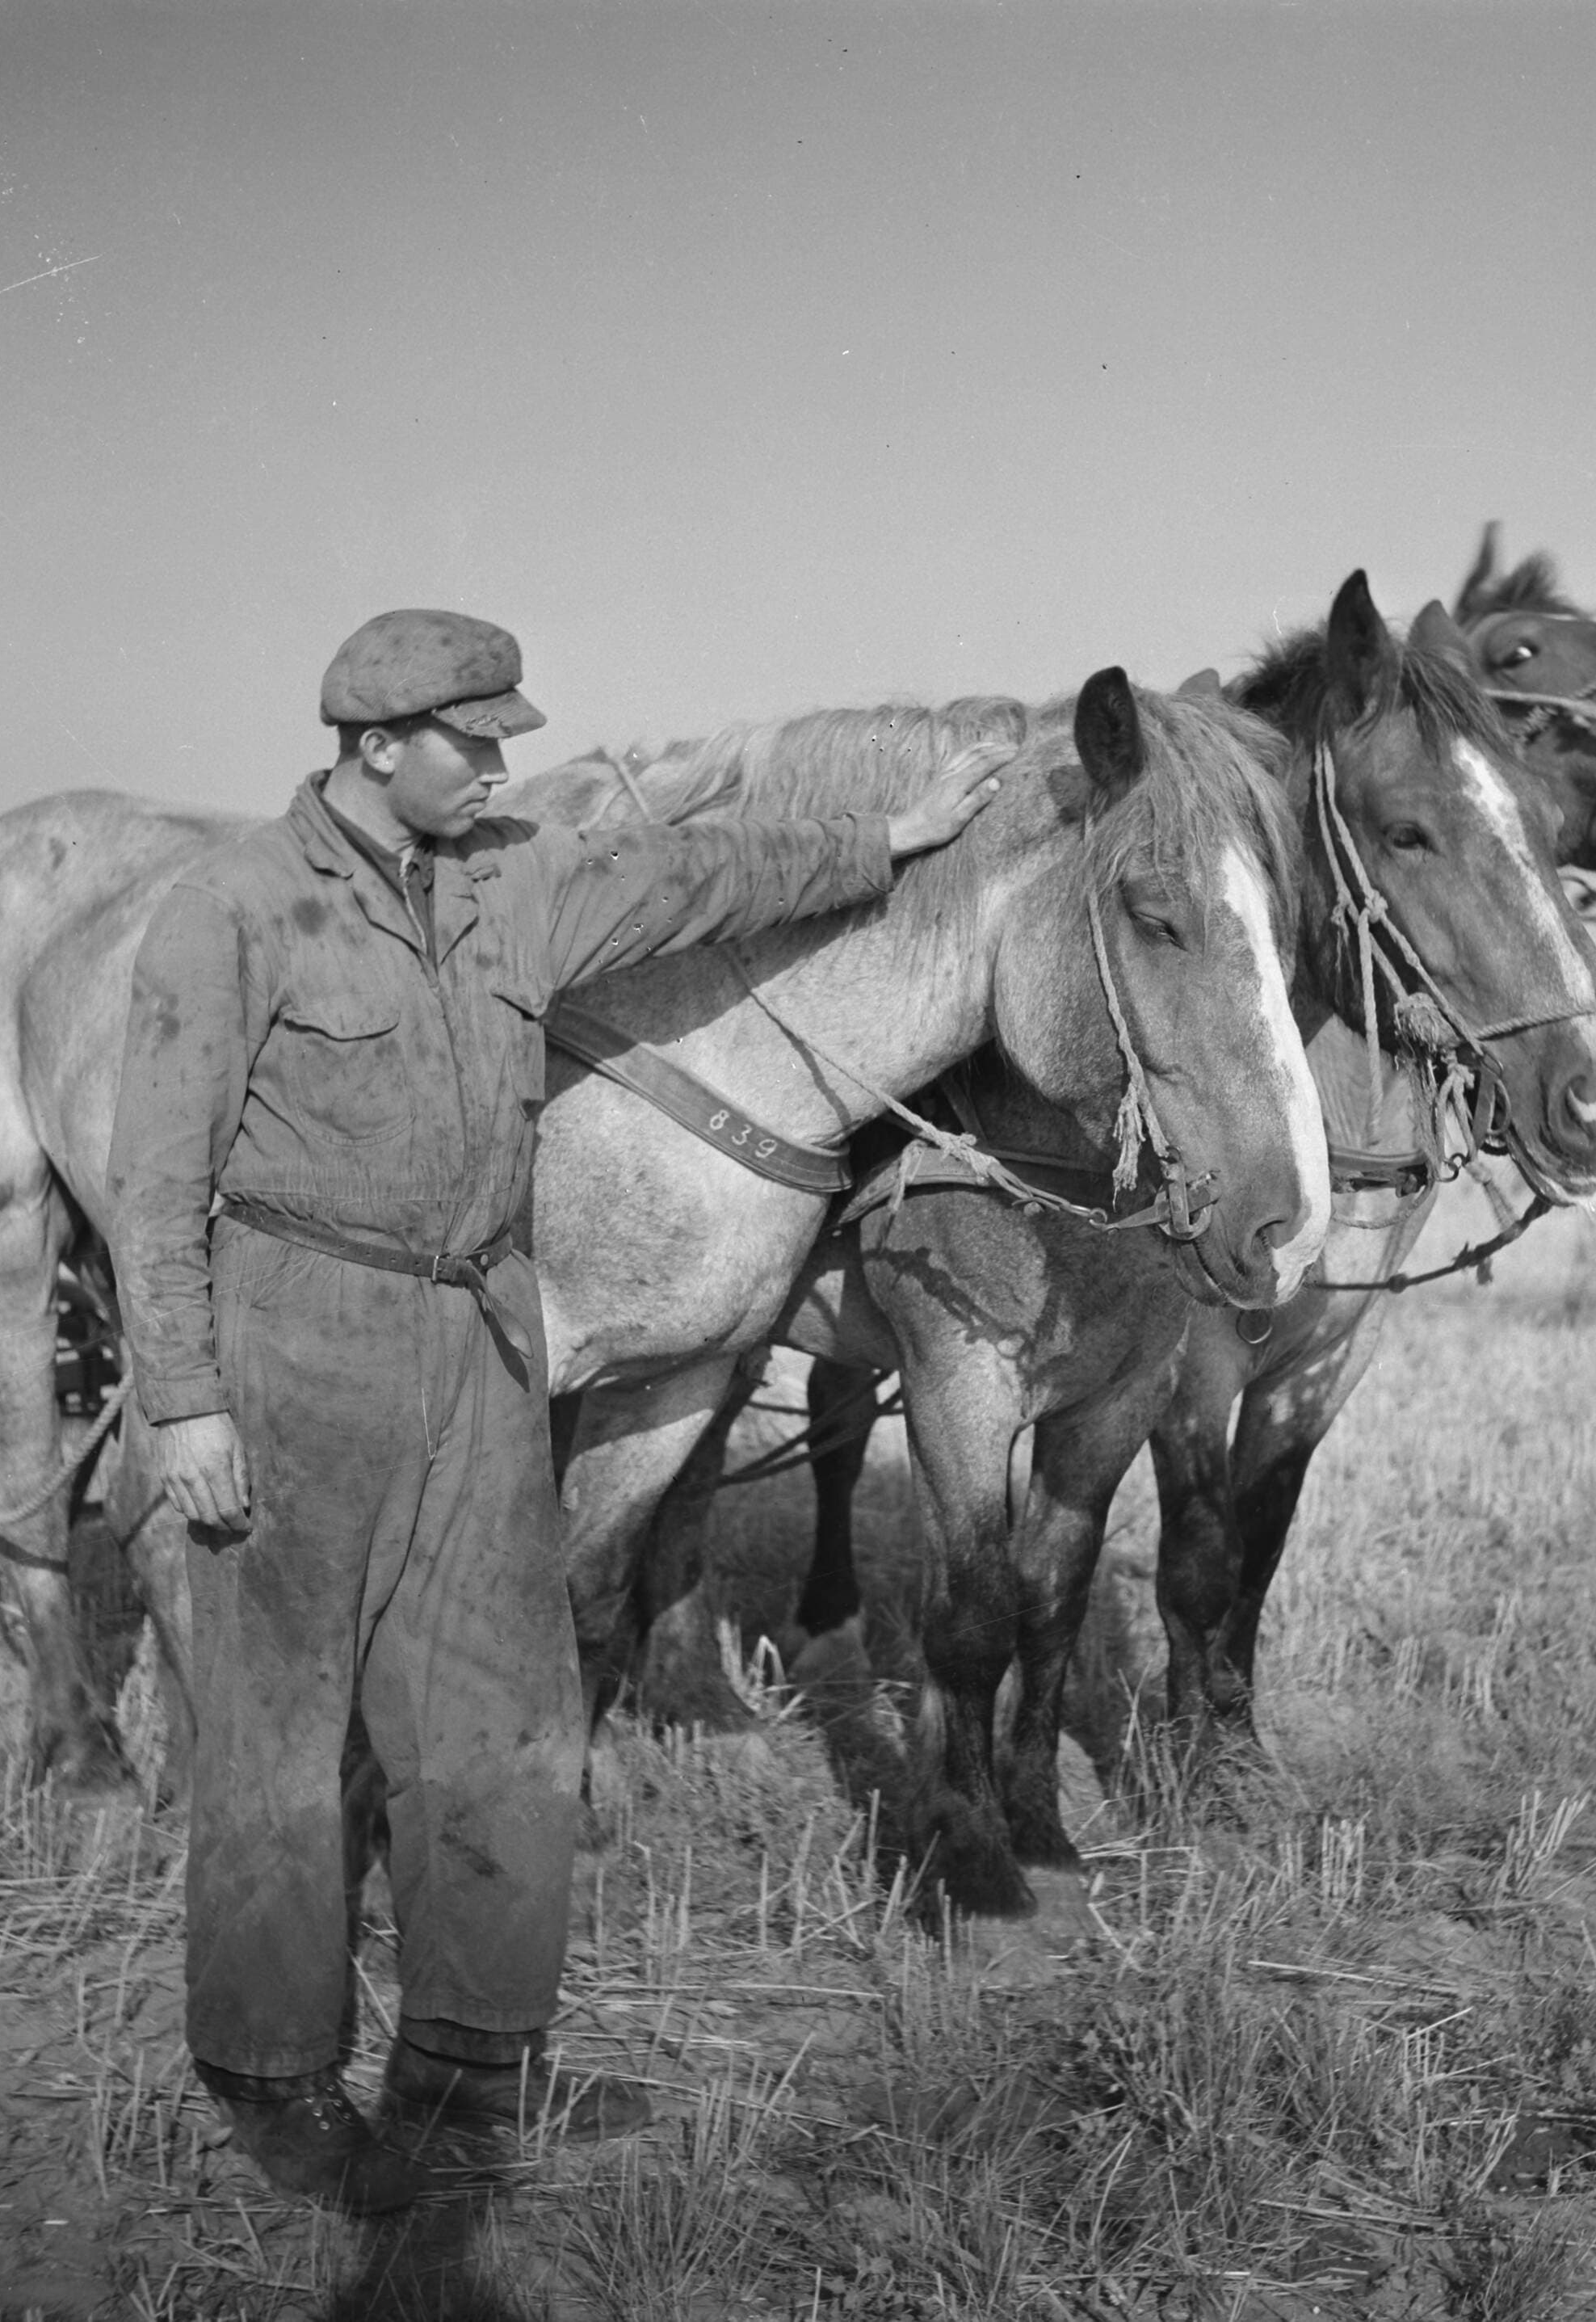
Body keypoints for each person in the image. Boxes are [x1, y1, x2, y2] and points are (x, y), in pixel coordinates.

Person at [106, 608, 1000, 2211]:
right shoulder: (229, 911)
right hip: (298, 1330)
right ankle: (272, 2073)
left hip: (483, 1329)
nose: (505, 761)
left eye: (509, 736)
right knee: (285, 1727)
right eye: (475, 739)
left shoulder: (515, 879)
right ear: (376, 745)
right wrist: (179, 1401)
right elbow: (157, 1184)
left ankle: (467, 2064)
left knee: (505, 1717)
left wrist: (887, 838)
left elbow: (703, 877)